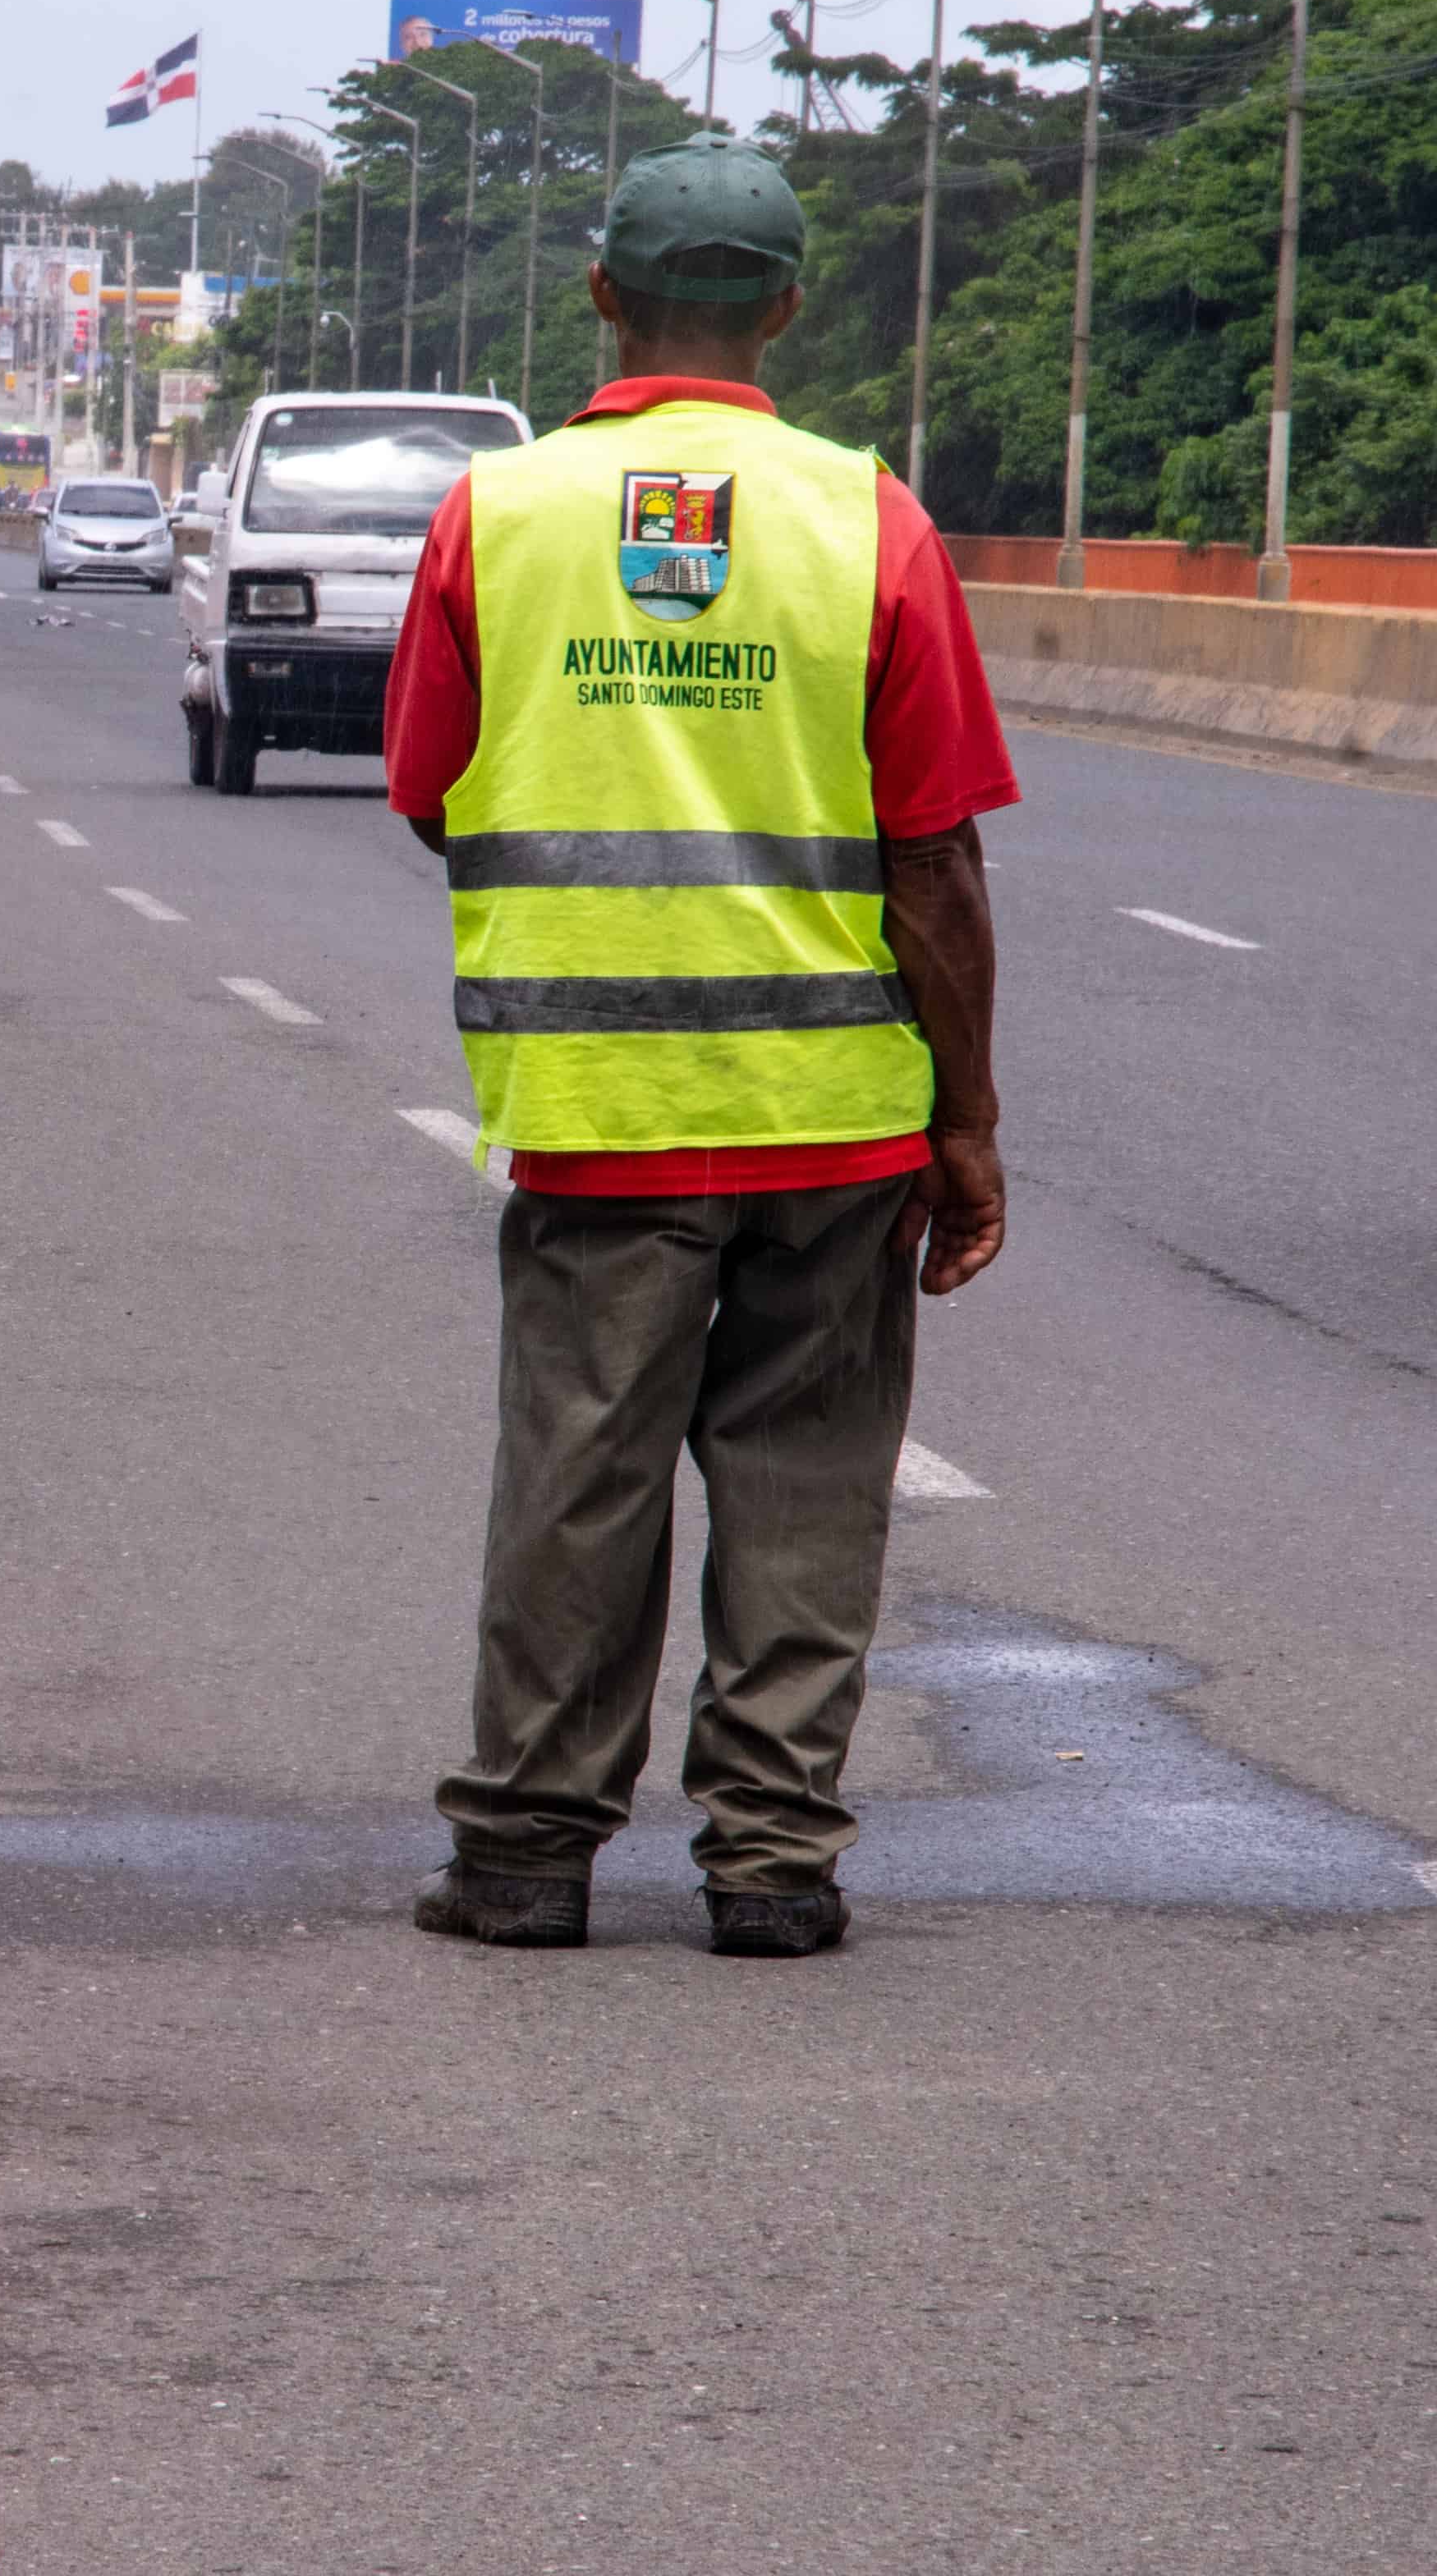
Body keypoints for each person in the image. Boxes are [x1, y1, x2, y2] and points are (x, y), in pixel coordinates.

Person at [381, 129, 1014, 1961]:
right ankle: (771, 1858)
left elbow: (432, 791)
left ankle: (523, 1851)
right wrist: (964, 1121)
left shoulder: (497, 517)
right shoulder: (867, 518)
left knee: (579, 1476)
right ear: (788, 311)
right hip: (834, 1120)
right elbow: (939, 860)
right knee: (809, 1482)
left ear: (602, 297)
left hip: (602, 1111)